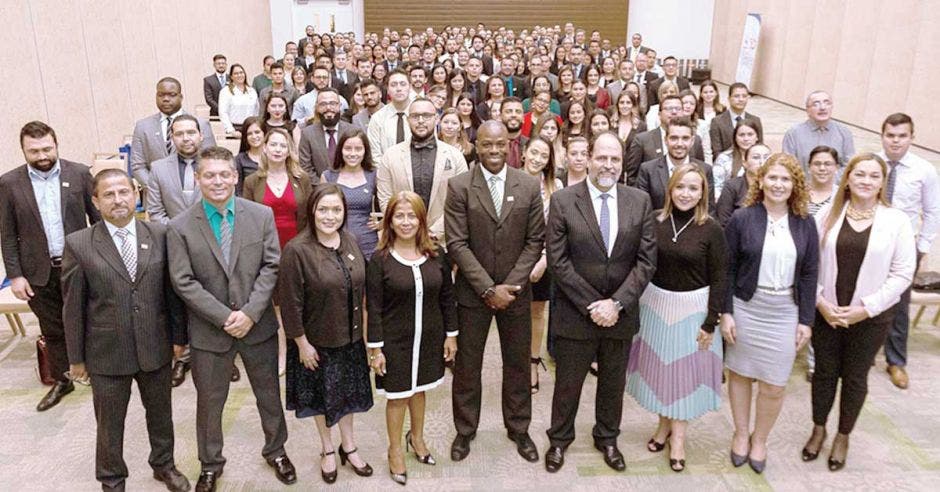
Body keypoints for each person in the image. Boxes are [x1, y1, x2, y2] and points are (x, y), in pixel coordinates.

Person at [167, 146, 296, 491]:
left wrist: (251, 313)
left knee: (268, 394)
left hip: (258, 326)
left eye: (224, 174)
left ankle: (277, 450)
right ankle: (210, 464)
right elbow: (183, 281)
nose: (217, 181)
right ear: (197, 179)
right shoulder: (179, 227)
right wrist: (226, 317)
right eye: (209, 175)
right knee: (209, 403)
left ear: (236, 176)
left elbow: (271, 265)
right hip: (210, 332)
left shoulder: (260, 215)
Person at [61, 169, 189, 492]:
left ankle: (164, 465)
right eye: (109, 194)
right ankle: (112, 478)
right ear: (95, 201)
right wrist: (76, 358)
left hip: (155, 345)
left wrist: (178, 338)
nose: (118, 200)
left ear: (136, 194)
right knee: (109, 424)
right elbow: (72, 308)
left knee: (161, 415)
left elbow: (171, 293)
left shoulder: (159, 234)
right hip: (105, 352)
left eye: (123, 192)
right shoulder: (79, 244)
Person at [544, 131, 656, 473]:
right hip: (576, 313)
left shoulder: (639, 200)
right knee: (568, 384)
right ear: (589, 158)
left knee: (612, 384)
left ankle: (607, 437)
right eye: (602, 158)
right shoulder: (564, 200)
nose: (608, 165)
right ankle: (559, 440)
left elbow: (646, 261)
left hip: (620, 315)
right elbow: (557, 260)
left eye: (615, 159)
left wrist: (617, 304)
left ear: (622, 165)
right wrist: (595, 304)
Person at [803, 153, 916, 471]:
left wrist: (865, 309)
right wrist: (820, 302)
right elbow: (808, 264)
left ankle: (842, 435)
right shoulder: (826, 214)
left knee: (854, 377)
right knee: (824, 374)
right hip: (827, 312)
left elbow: (903, 273)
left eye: (873, 176)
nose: (866, 181)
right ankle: (818, 428)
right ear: (848, 177)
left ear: (882, 183)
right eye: (860, 174)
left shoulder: (897, 221)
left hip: (870, 318)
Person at [445, 120, 546, 463]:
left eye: (499, 144)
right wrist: (488, 288)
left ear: (509, 145)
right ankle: (465, 430)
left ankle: (519, 428)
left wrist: (510, 287)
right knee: (468, 366)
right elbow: (456, 243)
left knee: (517, 364)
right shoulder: (459, 186)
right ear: (476, 144)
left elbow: (535, 242)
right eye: (486, 144)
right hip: (474, 295)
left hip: (516, 294)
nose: (493, 151)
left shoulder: (529, 185)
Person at [721, 153, 819, 474]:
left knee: (774, 384)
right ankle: (740, 433)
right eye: (772, 178)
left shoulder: (805, 223)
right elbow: (728, 269)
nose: (778, 184)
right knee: (740, 374)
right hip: (747, 307)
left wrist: (806, 319)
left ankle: (759, 439)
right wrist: (727, 313)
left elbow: (809, 274)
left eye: (786, 179)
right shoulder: (742, 218)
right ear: (760, 181)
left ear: (795, 185)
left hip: (784, 312)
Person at [625, 164, 727, 473]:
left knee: (684, 378)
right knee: (660, 375)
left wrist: (711, 322)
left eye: (693, 188)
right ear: (670, 188)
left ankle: (678, 439)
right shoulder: (654, 220)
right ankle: (663, 427)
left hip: (693, 310)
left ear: (703, 193)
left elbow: (720, 277)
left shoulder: (711, 228)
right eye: (680, 186)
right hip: (655, 306)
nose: (686, 193)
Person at [0, 121, 101, 411]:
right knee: (53, 328)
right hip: (37, 272)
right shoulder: (9, 183)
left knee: (89, 320)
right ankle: (62, 379)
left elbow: (97, 221)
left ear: (56, 144)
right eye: (34, 151)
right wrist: (16, 275)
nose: (42, 155)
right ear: (23, 151)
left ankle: (96, 371)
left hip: (77, 265)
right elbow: (7, 234)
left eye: (47, 148)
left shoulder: (79, 173)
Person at [279, 184, 373, 484]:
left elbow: (362, 289)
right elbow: (289, 304)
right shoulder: (297, 250)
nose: (330, 216)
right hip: (316, 343)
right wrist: (301, 344)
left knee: (349, 397)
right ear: (312, 211)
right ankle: (328, 448)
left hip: (351, 338)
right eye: (323, 209)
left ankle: (349, 445)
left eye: (336, 209)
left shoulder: (350, 240)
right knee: (322, 399)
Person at [366, 191, 458, 485]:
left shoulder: (437, 254)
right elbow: (374, 308)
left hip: (430, 338)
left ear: (421, 220)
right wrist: (375, 349)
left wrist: (451, 336)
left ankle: (417, 439)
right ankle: (395, 450)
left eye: (412, 216)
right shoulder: (379, 260)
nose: (406, 222)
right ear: (389, 221)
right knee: (398, 396)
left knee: (420, 391)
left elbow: (448, 298)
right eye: (399, 216)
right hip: (395, 342)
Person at [877, 113, 940, 389]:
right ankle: (863, 353)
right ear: (883, 136)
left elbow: (933, 210)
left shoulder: (923, 169)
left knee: (898, 305)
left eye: (902, 136)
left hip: (905, 246)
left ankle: (896, 361)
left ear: (912, 137)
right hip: (871, 242)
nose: (895, 141)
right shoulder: (872, 162)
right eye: (891, 135)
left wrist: (922, 246)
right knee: (863, 295)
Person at [377, 98, 469, 242]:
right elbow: (385, 199)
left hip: (443, 242)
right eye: (415, 116)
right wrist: (406, 229)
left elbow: (461, 202)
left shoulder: (455, 156)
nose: (421, 120)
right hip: (401, 240)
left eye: (426, 116)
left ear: (436, 118)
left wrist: (434, 233)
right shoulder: (390, 156)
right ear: (408, 120)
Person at [519, 137, 562, 394]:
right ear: (524, 153)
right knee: (514, 317)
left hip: (544, 261)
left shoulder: (555, 187)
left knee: (536, 313)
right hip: (515, 261)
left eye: (543, 156)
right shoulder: (509, 178)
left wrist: (544, 260)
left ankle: (533, 363)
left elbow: (557, 230)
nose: (537, 159)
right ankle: (517, 367)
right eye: (533, 152)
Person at [130, 77, 215, 186]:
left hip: (194, 194)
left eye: (172, 95)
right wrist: (156, 188)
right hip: (155, 196)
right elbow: (137, 166)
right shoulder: (142, 126)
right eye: (161, 95)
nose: (166, 99)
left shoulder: (201, 124)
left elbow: (210, 159)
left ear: (181, 97)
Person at [322, 129, 381, 259]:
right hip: (335, 243)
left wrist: (382, 222)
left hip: (368, 243)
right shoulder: (328, 177)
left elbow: (388, 204)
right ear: (340, 150)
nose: (353, 153)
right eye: (348, 148)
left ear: (365, 151)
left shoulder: (374, 175)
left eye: (358, 149)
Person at [637, 117, 715, 213]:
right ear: (665, 140)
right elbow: (642, 210)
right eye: (674, 138)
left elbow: (709, 209)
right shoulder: (648, 170)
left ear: (692, 141)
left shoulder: (705, 170)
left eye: (685, 138)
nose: (679, 144)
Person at [625, 95, 705, 186]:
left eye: (678, 108)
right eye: (669, 108)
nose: (674, 112)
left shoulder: (695, 140)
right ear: (659, 114)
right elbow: (632, 178)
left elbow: (700, 170)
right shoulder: (642, 140)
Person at [145, 115, 205, 225]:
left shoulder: (216, 167)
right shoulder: (158, 169)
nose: (185, 138)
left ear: (201, 136)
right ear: (172, 138)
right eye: (179, 134)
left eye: (191, 132)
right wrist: (177, 232)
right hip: (172, 236)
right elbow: (155, 212)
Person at [782, 90, 855, 168]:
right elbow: (788, 167)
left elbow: (849, 166)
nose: (822, 107)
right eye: (816, 104)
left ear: (832, 107)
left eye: (827, 103)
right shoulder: (793, 134)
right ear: (807, 110)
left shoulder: (844, 132)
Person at [297, 88, 356, 177]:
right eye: (323, 104)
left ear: (339, 106)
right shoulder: (307, 134)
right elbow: (305, 167)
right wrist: (323, 187)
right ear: (317, 107)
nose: (328, 108)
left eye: (332, 103)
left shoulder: (353, 131)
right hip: (319, 188)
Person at [716, 144, 772, 227]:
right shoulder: (732, 186)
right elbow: (723, 221)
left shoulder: (775, 186)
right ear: (744, 163)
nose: (762, 162)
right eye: (756, 157)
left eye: (766, 157)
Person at [368, 69, 414, 162]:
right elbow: (375, 154)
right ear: (387, 90)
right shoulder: (378, 118)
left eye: (403, 84)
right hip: (386, 172)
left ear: (410, 87)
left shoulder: (421, 114)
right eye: (393, 85)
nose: (398, 88)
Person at [709, 83, 762, 156]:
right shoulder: (717, 122)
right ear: (729, 98)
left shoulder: (755, 120)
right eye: (736, 96)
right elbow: (716, 152)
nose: (741, 99)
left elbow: (760, 148)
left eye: (744, 96)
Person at [713, 120, 760, 197]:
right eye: (741, 135)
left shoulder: (765, 156)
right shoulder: (724, 158)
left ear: (757, 137)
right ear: (735, 138)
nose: (746, 139)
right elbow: (716, 186)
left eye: (750, 134)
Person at [219, 64, 260, 136]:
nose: (239, 75)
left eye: (241, 72)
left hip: (250, 128)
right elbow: (223, 113)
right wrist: (231, 130)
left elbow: (256, 111)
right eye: (236, 73)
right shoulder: (225, 91)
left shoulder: (251, 91)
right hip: (235, 129)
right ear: (231, 77)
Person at [235, 116, 264, 196]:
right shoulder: (239, 160)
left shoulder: (274, 157)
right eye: (249, 134)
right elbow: (238, 190)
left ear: (264, 133)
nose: (254, 136)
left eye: (257, 132)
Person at [807, 146, 840, 215]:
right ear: (809, 167)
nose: (822, 168)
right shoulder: (797, 194)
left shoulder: (842, 196)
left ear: (836, 168)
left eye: (827, 164)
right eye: (817, 164)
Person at [500, 97, 527, 168]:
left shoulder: (530, 144)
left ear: (523, 118)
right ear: (500, 116)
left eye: (518, 111)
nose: (513, 115)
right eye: (508, 111)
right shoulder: (491, 144)